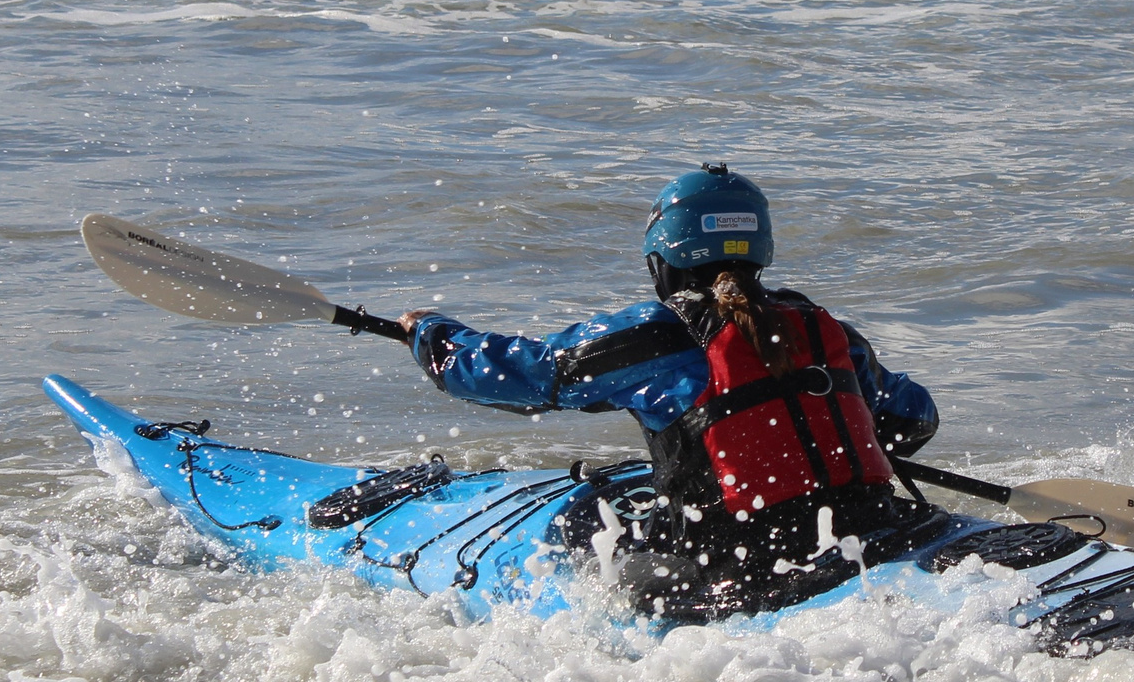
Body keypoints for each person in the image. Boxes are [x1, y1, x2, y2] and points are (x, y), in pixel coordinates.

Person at [399, 164, 948, 616]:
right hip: (874, 533)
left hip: (744, 569)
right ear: (761, 249)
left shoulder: (658, 336)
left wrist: (430, 334)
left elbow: (518, 377)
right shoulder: (828, 332)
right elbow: (914, 415)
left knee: (585, 519)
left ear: (662, 259)